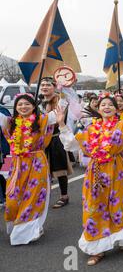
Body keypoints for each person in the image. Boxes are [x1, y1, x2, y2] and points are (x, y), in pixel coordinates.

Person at [58, 92, 123, 266]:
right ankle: (97, 249)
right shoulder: (90, 129)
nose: (106, 107)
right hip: (95, 173)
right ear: (98, 109)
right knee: (94, 208)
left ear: (116, 109)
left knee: (119, 206)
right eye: (103, 105)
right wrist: (62, 124)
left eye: (110, 104)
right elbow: (72, 144)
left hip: (117, 172)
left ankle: (122, 238)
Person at [0, 93, 61, 245]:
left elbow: (61, 108)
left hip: (36, 163)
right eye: (19, 104)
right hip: (16, 164)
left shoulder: (41, 120)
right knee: (13, 200)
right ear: (15, 108)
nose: (23, 107)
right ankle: (18, 225)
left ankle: (32, 229)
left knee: (33, 197)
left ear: (34, 106)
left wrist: (63, 88)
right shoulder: (10, 122)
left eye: (27, 104)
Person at [38, 77, 74, 209]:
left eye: (48, 84)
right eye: (42, 84)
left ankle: (64, 196)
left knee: (60, 169)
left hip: (55, 137)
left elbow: (57, 118)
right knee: (41, 169)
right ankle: (42, 196)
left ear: (54, 87)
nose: (44, 87)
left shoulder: (60, 100)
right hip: (41, 140)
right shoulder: (38, 101)